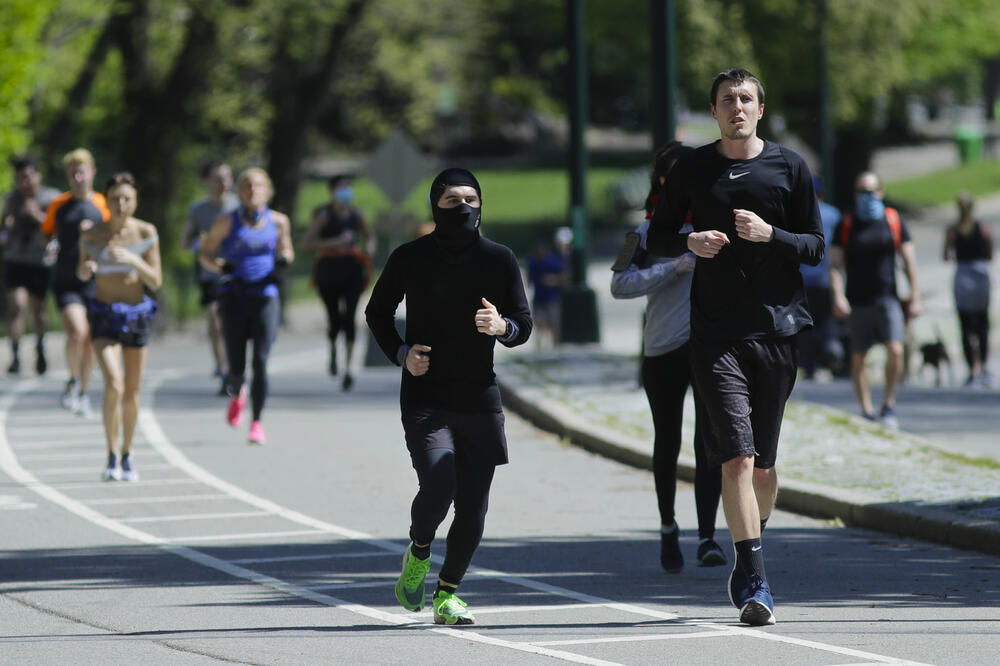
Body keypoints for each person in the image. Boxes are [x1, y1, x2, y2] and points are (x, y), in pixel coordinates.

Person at [647, 68, 824, 626]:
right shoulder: (693, 168)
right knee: (737, 458)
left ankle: (752, 534)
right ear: (714, 111)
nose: (737, 107)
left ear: (760, 109)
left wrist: (772, 235)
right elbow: (656, 236)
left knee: (763, 468)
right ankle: (755, 577)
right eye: (727, 100)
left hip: (776, 330)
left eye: (746, 99)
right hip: (715, 335)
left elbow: (816, 246)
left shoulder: (789, 167)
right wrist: (691, 240)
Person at [365, 167, 532, 626]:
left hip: (480, 397)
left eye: (471, 200)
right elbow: (377, 312)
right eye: (452, 200)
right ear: (435, 206)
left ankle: (448, 595)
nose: (463, 208)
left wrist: (502, 327)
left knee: (473, 506)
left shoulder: (499, 259)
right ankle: (419, 551)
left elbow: (523, 323)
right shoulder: (410, 257)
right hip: (427, 396)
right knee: (440, 482)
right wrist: (402, 354)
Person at [611, 141, 725, 573]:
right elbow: (619, 285)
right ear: (660, 180)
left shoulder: (714, 225)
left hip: (709, 346)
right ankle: (667, 526)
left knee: (709, 440)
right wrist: (671, 268)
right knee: (668, 440)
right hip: (662, 348)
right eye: (674, 174)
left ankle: (708, 536)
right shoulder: (643, 233)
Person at [198, 168, 294, 445]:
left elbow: (287, 249)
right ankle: (237, 392)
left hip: (265, 295)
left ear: (268, 191)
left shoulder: (278, 221)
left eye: (259, 186)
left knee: (261, 361)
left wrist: (284, 259)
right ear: (240, 192)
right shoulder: (227, 221)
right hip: (235, 297)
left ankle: (256, 422)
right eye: (248, 186)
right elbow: (205, 253)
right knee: (237, 366)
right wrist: (219, 266)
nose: (253, 191)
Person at [77, 173, 161, 481]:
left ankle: (127, 453)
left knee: (132, 391)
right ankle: (111, 454)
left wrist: (132, 260)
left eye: (127, 198)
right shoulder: (91, 233)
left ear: (135, 201)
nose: (121, 204)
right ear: (106, 201)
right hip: (104, 314)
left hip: (136, 315)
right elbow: (81, 272)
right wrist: (86, 268)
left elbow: (156, 280)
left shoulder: (145, 232)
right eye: (115, 199)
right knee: (114, 383)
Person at [830, 171, 921, 427]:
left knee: (896, 349)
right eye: (861, 192)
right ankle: (866, 409)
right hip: (857, 300)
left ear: (880, 192)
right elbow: (835, 264)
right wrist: (838, 295)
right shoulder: (847, 223)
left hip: (888, 297)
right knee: (859, 356)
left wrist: (915, 295)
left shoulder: (893, 220)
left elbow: (909, 260)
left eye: (869, 191)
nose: (865, 197)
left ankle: (888, 404)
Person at [42, 148, 110, 417]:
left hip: (94, 281)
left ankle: (83, 391)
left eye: (82, 172)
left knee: (90, 339)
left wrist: (95, 237)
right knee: (76, 332)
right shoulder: (58, 205)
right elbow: (47, 234)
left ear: (92, 172)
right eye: (73, 174)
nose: (78, 178)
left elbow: (113, 237)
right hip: (66, 280)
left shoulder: (102, 204)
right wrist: (50, 247)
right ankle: (72, 380)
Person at [300, 174, 374, 390]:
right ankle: (333, 346)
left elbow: (370, 236)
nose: (345, 192)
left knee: (350, 317)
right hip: (328, 272)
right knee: (334, 318)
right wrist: (334, 242)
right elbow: (306, 244)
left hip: (352, 271)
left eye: (347, 187)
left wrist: (369, 248)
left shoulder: (357, 214)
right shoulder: (324, 215)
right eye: (341, 188)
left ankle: (348, 368)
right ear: (332, 192)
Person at [182, 161, 239, 395]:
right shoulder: (198, 209)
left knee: (235, 325)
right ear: (207, 181)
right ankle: (224, 371)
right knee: (216, 321)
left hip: (238, 273)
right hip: (211, 273)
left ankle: (236, 366)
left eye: (227, 177)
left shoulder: (240, 205)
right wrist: (200, 243)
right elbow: (185, 242)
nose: (223, 183)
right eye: (217, 178)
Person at [1, 155, 59, 375]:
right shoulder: (11, 199)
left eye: (28, 177)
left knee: (39, 309)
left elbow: (57, 229)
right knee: (16, 305)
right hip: (16, 259)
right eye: (20, 178)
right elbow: (3, 227)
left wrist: (38, 217)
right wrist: (6, 232)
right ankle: (15, 355)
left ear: (38, 176)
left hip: (40, 261)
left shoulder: (51, 198)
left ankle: (40, 348)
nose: (24, 182)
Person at [943, 192, 993, 387]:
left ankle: (972, 370)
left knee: (965, 324)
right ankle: (984, 367)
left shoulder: (953, 230)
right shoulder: (983, 227)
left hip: (962, 275)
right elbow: (989, 254)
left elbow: (946, 256)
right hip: (980, 274)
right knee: (982, 323)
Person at [798, 177, 842, 379]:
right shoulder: (833, 214)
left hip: (802, 277)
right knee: (825, 322)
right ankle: (829, 358)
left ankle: (809, 365)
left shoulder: (797, 213)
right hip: (826, 277)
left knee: (805, 323)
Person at [526, 228, 570, 348]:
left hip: (552, 298)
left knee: (554, 324)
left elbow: (565, 277)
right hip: (539, 298)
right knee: (539, 324)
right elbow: (529, 279)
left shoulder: (553, 262)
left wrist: (554, 280)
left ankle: (556, 346)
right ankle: (540, 347)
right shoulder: (532, 262)